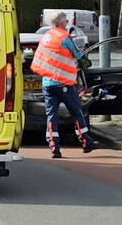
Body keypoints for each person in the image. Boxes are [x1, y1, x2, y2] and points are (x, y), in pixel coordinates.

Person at [31, 11, 95, 158]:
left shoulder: (46, 37)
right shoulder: (64, 38)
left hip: (47, 83)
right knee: (77, 112)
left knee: (51, 115)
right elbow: (78, 56)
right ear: (61, 23)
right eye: (66, 21)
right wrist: (84, 63)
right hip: (63, 83)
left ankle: (54, 146)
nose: (67, 23)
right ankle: (86, 142)